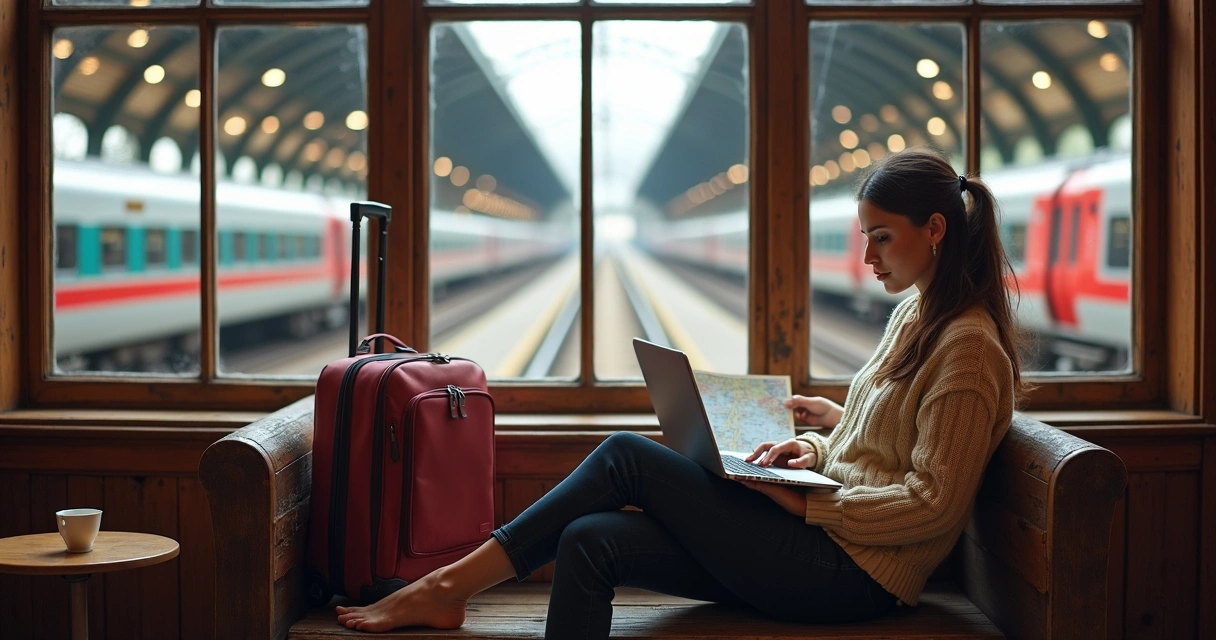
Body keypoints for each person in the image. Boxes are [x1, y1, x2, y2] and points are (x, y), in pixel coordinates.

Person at [334, 146, 1029, 637]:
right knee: (588, 539)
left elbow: (931, 504)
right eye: (863, 238)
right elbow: (885, 446)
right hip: (819, 545)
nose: (867, 258)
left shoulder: (967, 348)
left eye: (881, 238)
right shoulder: (918, 313)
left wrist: (807, 504)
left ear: (935, 231)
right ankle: (448, 592)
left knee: (625, 456)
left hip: (851, 575)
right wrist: (818, 440)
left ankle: (447, 586)